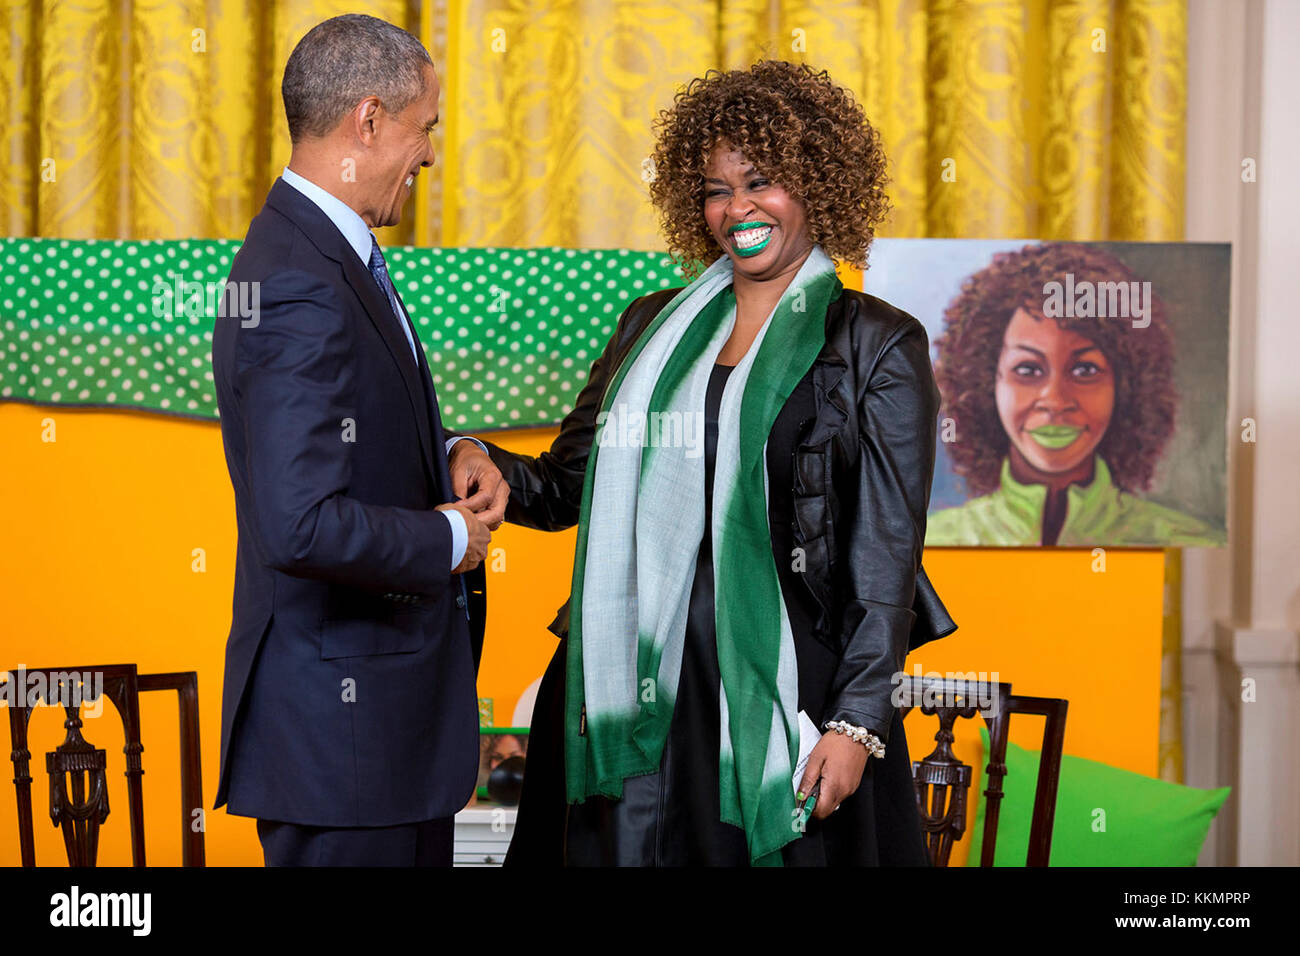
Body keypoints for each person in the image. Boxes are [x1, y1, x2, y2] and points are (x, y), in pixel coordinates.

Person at [481, 60, 957, 866]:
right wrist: (478, 460)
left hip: (790, 694)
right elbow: (568, 488)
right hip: (628, 688)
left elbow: (885, 560)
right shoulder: (649, 328)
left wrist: (857, 725)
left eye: (761, 181)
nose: (737, 208)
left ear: (818, 182)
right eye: (715, 188)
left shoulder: (878, 343)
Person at [210, 14, 507, 866]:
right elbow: (299, 522)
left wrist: (451, 449)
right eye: (426, 129)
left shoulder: (320, 255)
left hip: (378, 748)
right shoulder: (300, 280)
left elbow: (347, 430)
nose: (430, 155)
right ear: (369, 121)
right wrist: (451, 535)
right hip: (344, 752)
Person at [924, 242, 1223, 547]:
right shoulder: (928, 544)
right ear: (986, 383)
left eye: (1084, 371)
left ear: (1126, 388)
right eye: (1028, 370)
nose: (1055, 401)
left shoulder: (1188, 544)